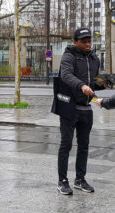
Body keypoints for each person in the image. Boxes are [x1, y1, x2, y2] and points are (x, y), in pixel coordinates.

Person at [54, 28, 108, 195]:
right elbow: (66, 75)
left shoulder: (93, 58)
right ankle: (62, 181)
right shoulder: (69, 56)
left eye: (89, 40)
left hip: (86, 108)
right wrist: (82, 85)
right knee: (66, 144)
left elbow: (93, 81)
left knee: (84, 146)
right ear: (75, 41)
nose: (88, 43)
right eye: (84, 41)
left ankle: (80, 179)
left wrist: (102, 84)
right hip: (69, 108)